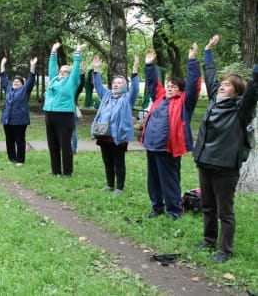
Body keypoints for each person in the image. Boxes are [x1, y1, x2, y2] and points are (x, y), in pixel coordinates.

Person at [193, 34, 258, 263]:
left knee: (225, 212)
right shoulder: (213, 100)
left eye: (228, 84)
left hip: (225, 167)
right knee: (207, 205)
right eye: (222, 83)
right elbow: (210, 76)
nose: (222, 86)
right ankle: (208, 241)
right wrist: (208, 52)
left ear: (237, 91)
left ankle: (225, 250)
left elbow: (253, 90)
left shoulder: (240, 109)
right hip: (205, 161)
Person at [141, 43, 201, 220]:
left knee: (169, 180)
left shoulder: (184, 102)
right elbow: (153, 84)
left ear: (180, 90)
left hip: (169, 148)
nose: (169, 88)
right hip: (151, 146)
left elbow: (193, 87)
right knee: (153, 181)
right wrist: (150, 66)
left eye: (173, 86)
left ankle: (174, 211)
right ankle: (157, 208)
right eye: (168, 85)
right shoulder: (159, 98)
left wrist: (192, 61)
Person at [91, 55, 140, 196]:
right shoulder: (106, 96)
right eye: (114, 82)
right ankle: (109, 185)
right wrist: (96, 69)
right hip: (104, 134)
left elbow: (135, 88)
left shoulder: (127, 98)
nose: (116, 84)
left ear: (125, 86)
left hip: (119, 136)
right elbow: (98, 85)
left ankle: (119, 187)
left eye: (120, 82)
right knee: (107, 161)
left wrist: (135, 69)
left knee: (119, 162)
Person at [43, 42, 86, 176]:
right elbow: (51, 68)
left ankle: (67, 172)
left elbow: (76, 70)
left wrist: (78, 53)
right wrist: (53, 51)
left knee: (65, 145)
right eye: (60, 71)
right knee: (52, 144)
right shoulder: (54, 80)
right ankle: (55, 171)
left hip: (64, 115)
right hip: (50, 114)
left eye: (64, 72)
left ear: (70, 74)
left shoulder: (71, 82)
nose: (61, 73)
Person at [0, 56, 37, 166]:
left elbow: (31, 79)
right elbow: (3, 78)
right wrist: (2, 65)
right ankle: (11, 158)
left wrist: (32, 66)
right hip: (7, 119)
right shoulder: (9, 89)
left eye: (18, 82)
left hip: (20, 120)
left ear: (22, 84)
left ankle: (20, 159)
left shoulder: (25, 90)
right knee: (9, 139)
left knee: (19, 140)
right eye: (14, 81)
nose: (15, 82)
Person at [71, 62, 86, 155]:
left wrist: (82, 72)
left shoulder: (73, 86)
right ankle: (70, 149)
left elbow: (80, 86)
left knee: (73, 131)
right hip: (64, 110)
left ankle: (73, 150)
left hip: (72, 109)